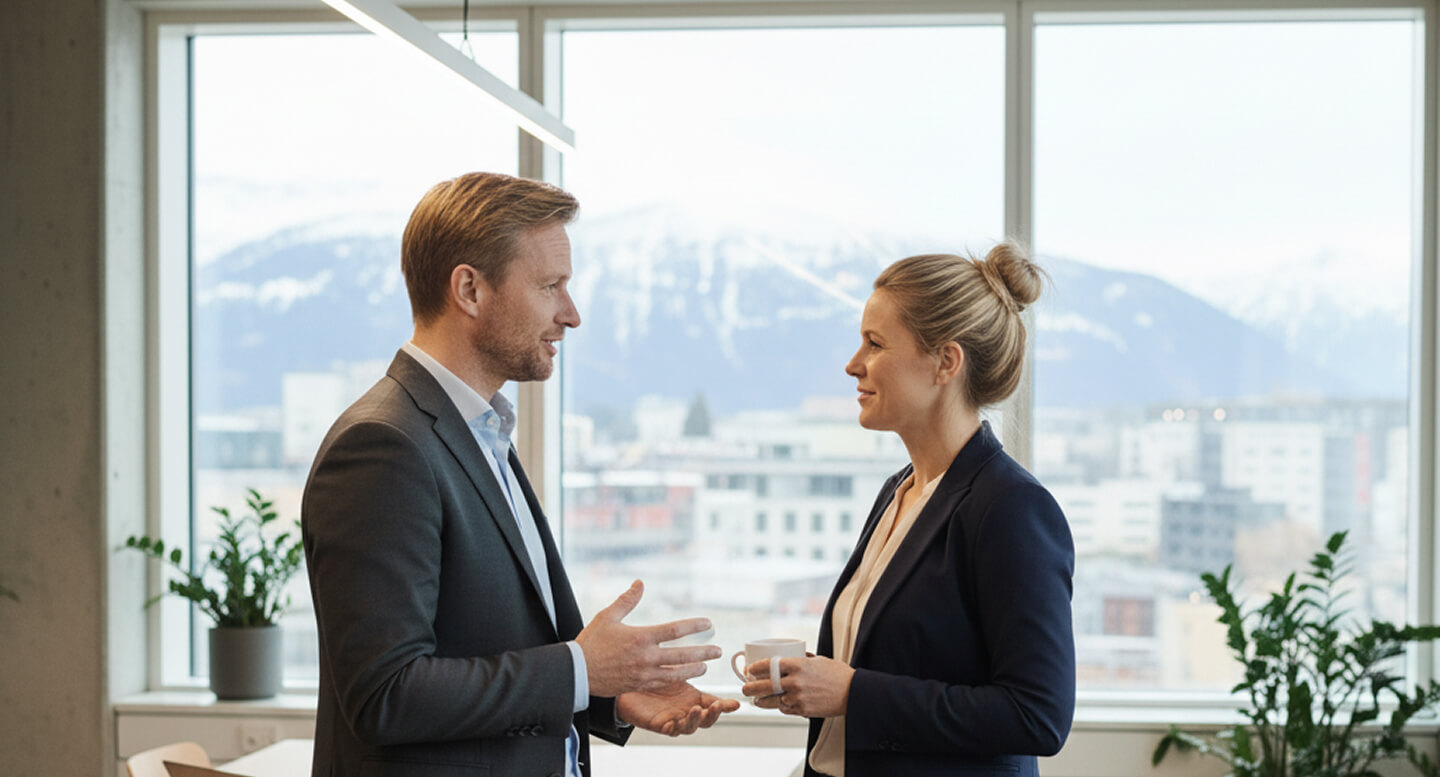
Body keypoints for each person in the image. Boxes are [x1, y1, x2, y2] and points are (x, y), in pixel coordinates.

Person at [302, 171, 739, 777]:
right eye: (550, 286)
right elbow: (386, 694)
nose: (572, 314)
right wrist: (581, 670)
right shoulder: (384, 447)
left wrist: (607, 691)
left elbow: (490, 645)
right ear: (470, 290)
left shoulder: (480, 434)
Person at [742, 244, 1076, 777]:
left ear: (945, 361)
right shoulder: (898, 491)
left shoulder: (1011, 508)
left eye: (874, 344)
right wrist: (820, 686)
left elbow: (1038, 715)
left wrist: (854, 692)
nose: (853, 365)